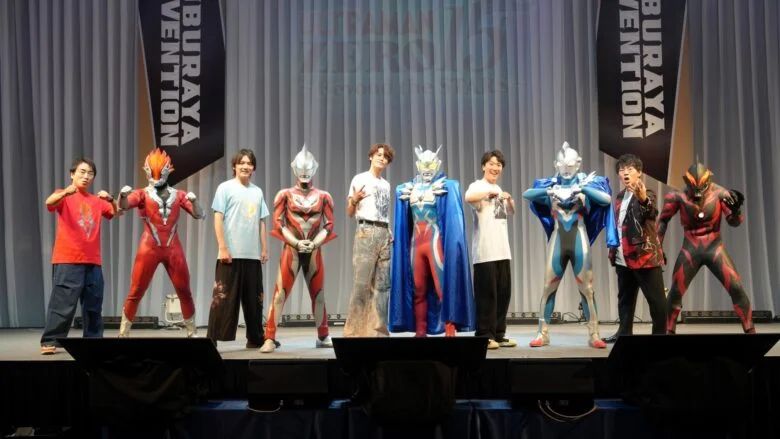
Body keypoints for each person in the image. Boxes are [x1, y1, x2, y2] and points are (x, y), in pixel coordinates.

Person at [523, 142, 617, 349]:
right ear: (556, 165)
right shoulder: (550, 187)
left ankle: (594, 333)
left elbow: (606, 199)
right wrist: (549, 192)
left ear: (578, 164)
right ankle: (542, 333)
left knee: (587, 289)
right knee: (548, 287)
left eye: (571, 165)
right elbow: (527, 194)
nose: (566, 169)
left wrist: (583, 189)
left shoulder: (586, 186)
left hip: (579, 239)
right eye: (563, 165)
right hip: (558, 241)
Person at [657, 162, 755, 334]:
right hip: (690, 248)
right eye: (693, 189)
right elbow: (663, 220)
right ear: (687, 183)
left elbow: (735, 223)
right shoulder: (677, 196)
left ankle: (750, 331)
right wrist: (658, 248)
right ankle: (669, 332)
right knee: (676, 290)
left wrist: (736, 211)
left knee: (736, 287)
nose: (697, 193)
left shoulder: (721, 194)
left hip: (714, 248)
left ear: (708, 181)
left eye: (701, 188)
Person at [117, 148, 204, 337]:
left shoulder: (179, 194)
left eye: (160, 174)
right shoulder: (142, 194)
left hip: (173, 248)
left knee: (184, 290)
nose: (156, 179)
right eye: (152, 174)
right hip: (149, 248)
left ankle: (192, 332)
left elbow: (199, 214)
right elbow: (123, 206)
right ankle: (123, 333)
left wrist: (195, 202)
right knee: (136, 290)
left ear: (168, 171)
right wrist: (122, 196)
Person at [389, 145, 475, 337]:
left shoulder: (446, 187)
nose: (427, 168)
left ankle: (450, 326)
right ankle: (421, 329)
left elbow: (452, 217)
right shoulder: (408, 189)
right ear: (418, 165)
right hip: (416, 244)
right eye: (424, 164)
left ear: (437, 164)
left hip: (434, 241)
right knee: (418, 288)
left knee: (442, 287)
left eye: (431, 164)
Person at [260, 145, 336, 353]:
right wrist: (296, 243)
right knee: (279, 294)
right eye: (301, 170)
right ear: (294, 169)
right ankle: (269, 337)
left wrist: (315, 243)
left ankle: (323, 334)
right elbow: (278, 223)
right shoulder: (284, 195)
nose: (304, 174)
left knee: (318, 295)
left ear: (314, 169)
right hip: (292, 250)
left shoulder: (324, 196)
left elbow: (329, 225)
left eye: (307, 170)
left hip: (313, 250)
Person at [40, 158, 116, 355]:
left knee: (93, 304)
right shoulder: (63, 195)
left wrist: (110, 199)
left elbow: (115, 212)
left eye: (90, 173)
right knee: (63, 303)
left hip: (93, 261)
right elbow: (49, 202)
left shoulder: (97, 201)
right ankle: (50, 340)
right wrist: (66, 192)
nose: (86, 176)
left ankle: (93, 341)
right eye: (82, 172)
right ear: (72, 174)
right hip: (68, 259)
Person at [207, 149, 270, 348]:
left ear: (253, 168)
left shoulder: (257, 191)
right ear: (234, 166)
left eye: (249, 163)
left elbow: (261, 221)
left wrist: (264, 248)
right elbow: (218, 218)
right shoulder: (225, 188)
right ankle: (212, 339)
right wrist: (223, 247)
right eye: (242, 163)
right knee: (223, 298)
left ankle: (255, 338)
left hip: (252, 255)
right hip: (230, 254)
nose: (245, 166)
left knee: (254, 300)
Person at [602, 154, 666, 343]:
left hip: (644, 257)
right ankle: (624, 334)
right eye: (622, 170)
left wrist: (643, 198)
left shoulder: (648, 193)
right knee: (625, 299)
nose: (625, 173)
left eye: (630, 169)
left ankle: (660, 338)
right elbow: (618, 225)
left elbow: (651, 212)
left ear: (639, 172)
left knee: (657, 302)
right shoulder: (619, 197)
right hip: (623, 256)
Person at [464, 150, 516, 349]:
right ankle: (484, 335)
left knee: (503, 294)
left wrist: (509, 199)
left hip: (503, 250)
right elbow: (468, 197)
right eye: (491, 164)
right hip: (485, 252)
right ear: (483, 166)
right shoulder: (478, 185)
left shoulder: (498, 188)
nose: (495, 168)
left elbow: (511, 212)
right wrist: (488, 194)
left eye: (499, 165)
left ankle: (499, 334)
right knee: (487, 296)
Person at [343, 143, 394, 337]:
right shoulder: (360, 178)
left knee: (383, 285)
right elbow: (349, 212)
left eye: (386, 157)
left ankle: (378, 330)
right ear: (370, 156)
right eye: (379, 154)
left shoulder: (386, 185)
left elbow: (382, 211)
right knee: (361, 284)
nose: (382, 158)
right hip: (366, 231)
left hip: (383, 233)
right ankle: (353, 332)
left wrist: (388, 230)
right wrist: (354, 199)